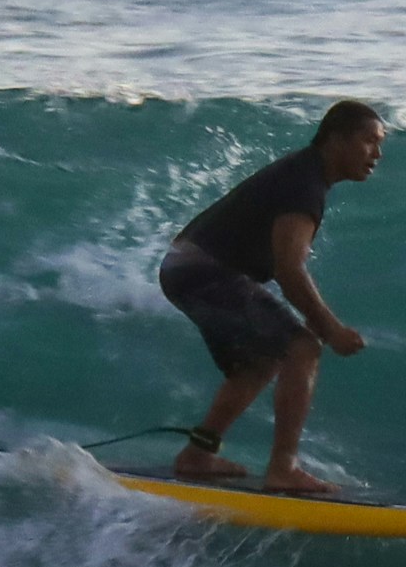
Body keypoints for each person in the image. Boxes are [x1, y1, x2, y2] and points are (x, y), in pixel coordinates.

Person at [154, 100, 379, 494]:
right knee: (303, 348)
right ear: (336, 140)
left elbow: (281, 269)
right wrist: (330, 329)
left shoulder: (304, 174)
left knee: (257, 364)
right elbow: (289, 270)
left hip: (185, 268)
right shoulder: (304, 184)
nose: (376, 154)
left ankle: (197, 455)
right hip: (202, 271)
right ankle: (283, 468)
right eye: (368, 142)